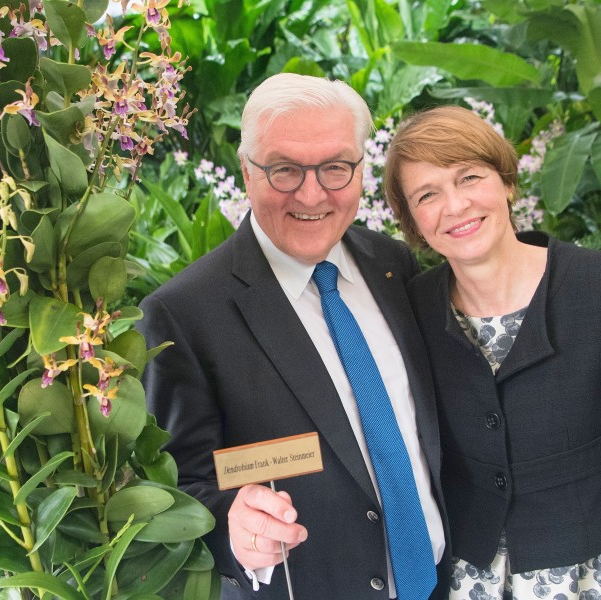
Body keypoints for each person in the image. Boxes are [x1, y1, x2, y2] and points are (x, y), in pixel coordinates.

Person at [138, 73, 449, 599]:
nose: (312, 193)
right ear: (247, 171)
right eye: (284, 170)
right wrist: (234, 530)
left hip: (443, 580)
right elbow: (181, 487)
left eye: (335, 168)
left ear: (359, 169)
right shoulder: (181, 315)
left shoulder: (392, 265)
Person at [383, 105, 601, 600]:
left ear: (506, 182)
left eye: (469, 177)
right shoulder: (409, 310)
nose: (455, 206)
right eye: (427, 195)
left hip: (583, 568)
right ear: (413, 221)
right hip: (464, 576)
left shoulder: (593, 285)